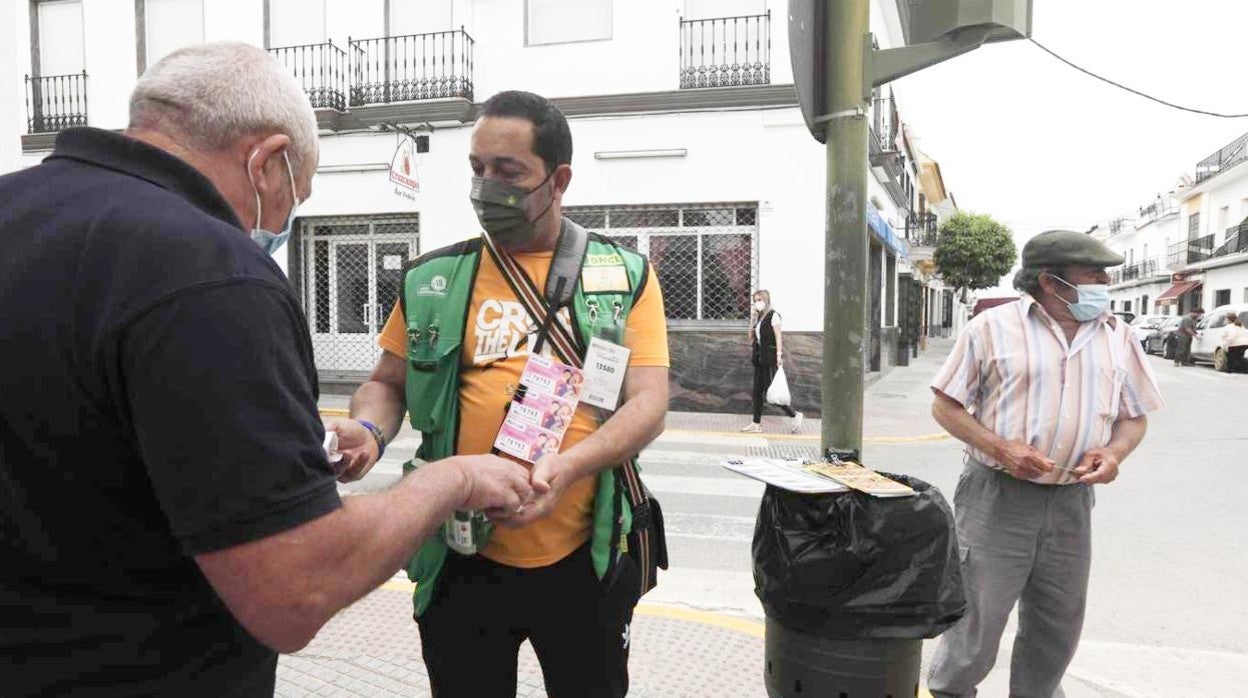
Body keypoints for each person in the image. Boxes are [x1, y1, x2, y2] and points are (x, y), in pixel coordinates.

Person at [0, 43, 533, 697]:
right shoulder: (206, 269)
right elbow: (293, 590)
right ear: (266, 161)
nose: (280, 224)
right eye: (293, 198)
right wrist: (452, 480)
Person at [345, 90, 671, 697]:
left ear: (559, 178)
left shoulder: (623, 275)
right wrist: (367, 432)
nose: (486, 187)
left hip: (584, 559)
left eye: (508, 171)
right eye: (477, 168)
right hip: (461, 554)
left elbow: (648, 403)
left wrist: (567, 468)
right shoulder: (432, 279)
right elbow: (385, 384)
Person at [926, 230, 1163, 698]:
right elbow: (945, 407)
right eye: (1093, 274)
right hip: (996, 496)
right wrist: (1001, 448)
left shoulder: (1118, 335)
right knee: (978, 617)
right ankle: (951, 692)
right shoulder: (991, 329)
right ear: (1051, 282)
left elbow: (1133, 417)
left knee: (1058, 621)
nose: (1104, 283)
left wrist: (1113, 453)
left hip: (1072, 501)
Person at [741, 289, 804, 433]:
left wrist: (779, 355)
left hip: (769, 359)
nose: (757, 303)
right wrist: (752, 319)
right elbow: (751, 339)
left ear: (766, 300)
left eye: (759, 300)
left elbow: (778, 337)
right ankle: (756, 424)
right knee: (757, 392)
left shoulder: (774, 316)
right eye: (755, 300)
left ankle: (794, 414)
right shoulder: (759, 318)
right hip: (758, 358)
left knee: (773, 393)